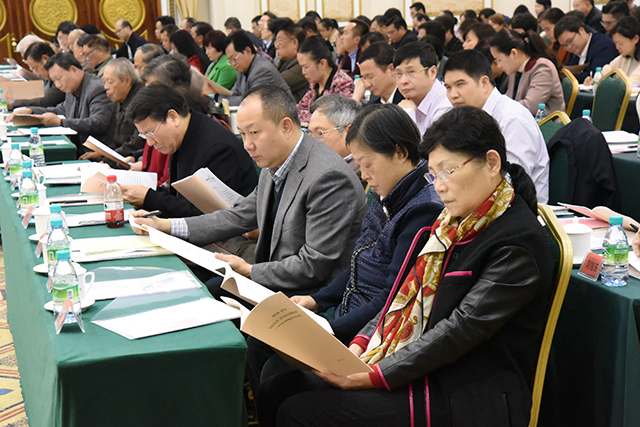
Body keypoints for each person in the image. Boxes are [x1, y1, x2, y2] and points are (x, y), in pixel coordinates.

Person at [257, 105, 554, 427]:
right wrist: (361, 343)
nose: (439, 186)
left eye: (448, 171)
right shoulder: (452, 224)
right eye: (435, 174)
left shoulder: (516, 243)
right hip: (423, 365)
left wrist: (377, 374)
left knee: (301, 412)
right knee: (279, 388)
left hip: (465, 390)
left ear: (492, 163)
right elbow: (402, 294)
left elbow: (460, 329)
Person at [131, 84, 367, 297]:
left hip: (305, 295)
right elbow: (238, 215)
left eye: (254, 133)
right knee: (191, 290)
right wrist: (167, 226)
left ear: (286, 127)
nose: (247, 145)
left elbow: (313, 266)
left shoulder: (328, 178)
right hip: (269, 275)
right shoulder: (276, 157)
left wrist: (250, 271)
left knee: (201, 296)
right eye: (242, 134)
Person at [296, 103, 443, 343]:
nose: (364, 175)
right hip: (347, 313)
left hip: (370, 334)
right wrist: (317, 300)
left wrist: (329, 329)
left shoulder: (423, 210)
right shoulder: (386, 191)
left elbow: (392, 298)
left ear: (400, 152)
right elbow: (359, 262)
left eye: (367, 164)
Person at [119, 83, 258, 217]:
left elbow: (209, 213)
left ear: (173, 117)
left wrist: (149, 199)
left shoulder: (217, 148)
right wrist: (144, 195)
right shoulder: (184, 135)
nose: (150, 142)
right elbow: (179, 197)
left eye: (151, 133)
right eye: (144, 136)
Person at [443, 49, 550, 203]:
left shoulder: (512, 119)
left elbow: (512, 182)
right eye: (448, 87)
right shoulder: (469, 117)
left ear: (484, 83)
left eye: (460, 84)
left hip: (517, 208)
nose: (453, 95)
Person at [10, 53, 116, 157]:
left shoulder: (96, 89)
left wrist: (61, 122)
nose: (58, 85)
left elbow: (97, 123)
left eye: (59, 78)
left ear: (74, 70)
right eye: (54, 81)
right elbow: (61, 109)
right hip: (78, 148)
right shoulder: (73, 87)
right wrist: (31, 111)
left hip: (95, 153)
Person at [80, 59, 145, 164]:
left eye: (110, 82)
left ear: (127, 81)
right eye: (104, 82)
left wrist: (107, 161)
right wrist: (102, 154)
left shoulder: (141, 101)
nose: (105, 87)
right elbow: (119, 141)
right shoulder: (121, 98)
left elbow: (136, 144)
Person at [490, 29, 565, 115]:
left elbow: (530, 106)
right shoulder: (515, 69)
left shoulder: (543, 68)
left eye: (499, 60)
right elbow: (509, 98)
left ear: (514, 53)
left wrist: (499, 109)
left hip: (545, 122)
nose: (499, 66)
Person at [213, 30, 292, 106]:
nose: (233, 64)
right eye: (230, 61)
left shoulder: (262, 70)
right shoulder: (242, 70)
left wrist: (219, 98)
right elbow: (234, 94)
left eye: (234, 58)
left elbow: (250, 102)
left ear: (248, 51)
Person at [393, 41, 451, 136]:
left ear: (432, 72)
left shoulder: (446, 107)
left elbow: (432, 145)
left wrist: (408, 115)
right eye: (399, 74)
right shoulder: (408, 101)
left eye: (411, 72)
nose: (403, 81)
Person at [296, 37, 354, 123]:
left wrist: (308, 115)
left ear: (322, 64)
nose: (303, 72)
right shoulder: (315, 84)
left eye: (306, 67)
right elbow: (298, 109)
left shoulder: (343, 84)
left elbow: (333, 119)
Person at [308, 94, 362, 173]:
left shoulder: (364, 171)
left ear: (349, 132)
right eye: (310, 134)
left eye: (320, 133)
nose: (312, 142)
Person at [555, 15, 618, 82]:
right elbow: (567, 72)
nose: (569, 47)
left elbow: (595, 76)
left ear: (581, 30)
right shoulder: (575, 51)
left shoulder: (603, 47)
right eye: (565, 45)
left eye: (570, 41)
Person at [10, 42, 65, 109]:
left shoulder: (61, 74)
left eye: (36, 69)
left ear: (45, 59)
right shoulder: (49, 76)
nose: (36, 74)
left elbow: (46, 102)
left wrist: (13, 103)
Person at [586, 16, 640, 83]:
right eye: (616, 44)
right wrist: (594, 80)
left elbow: (634, 80)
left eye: (621, 43)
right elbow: (607, 70)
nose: (617, 47)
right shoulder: (623, 57)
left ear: (635, 39)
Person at [271, 19, 308, 102]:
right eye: (275, 43)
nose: (276, 47)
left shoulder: (302, 65)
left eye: (279, 42)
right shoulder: (283, 62)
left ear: (294, 43)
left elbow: (273, 83)